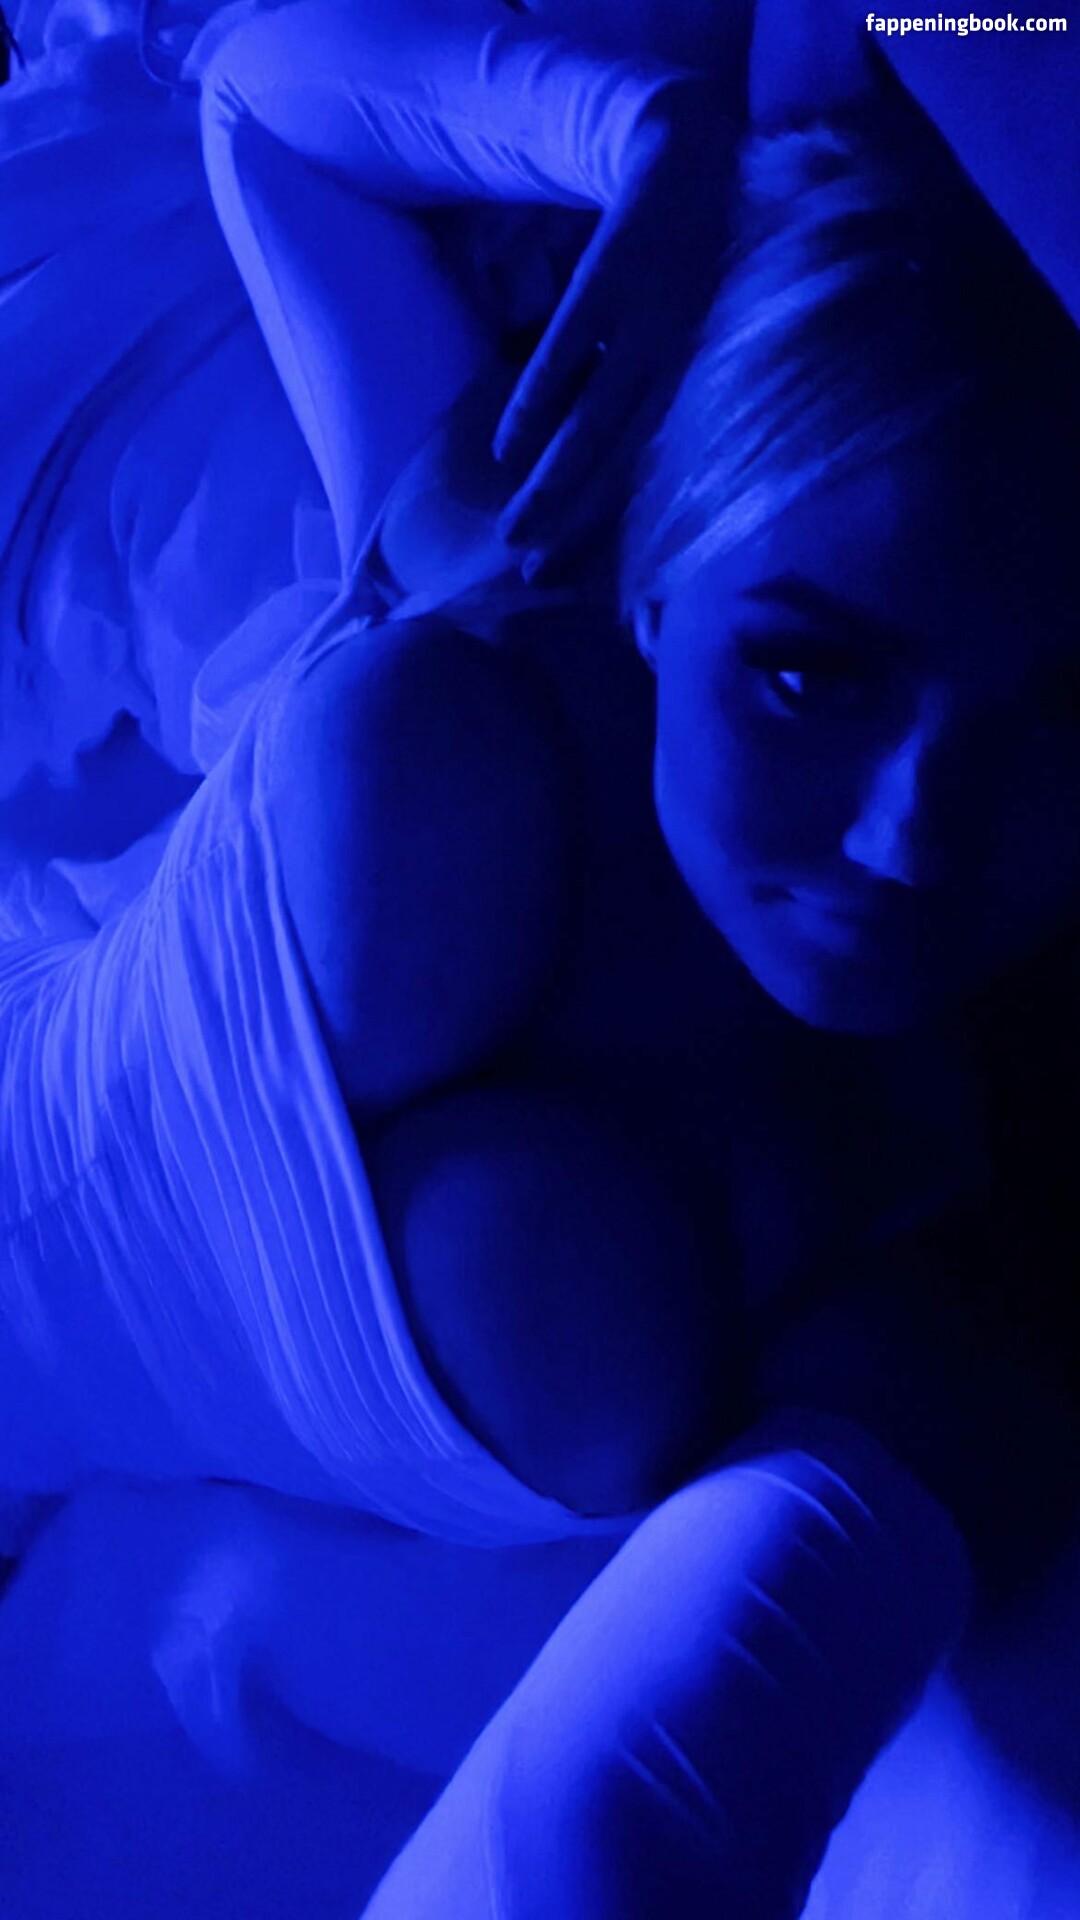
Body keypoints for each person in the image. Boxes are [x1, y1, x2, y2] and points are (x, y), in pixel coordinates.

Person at [1, 0, 1079, 1912]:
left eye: (1062, 725)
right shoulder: (496, 540)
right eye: (805, 673)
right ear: (656, 586)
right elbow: (254, 94)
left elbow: (606, 1833)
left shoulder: (943, 1257)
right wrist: (644, 136)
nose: (905, 838)